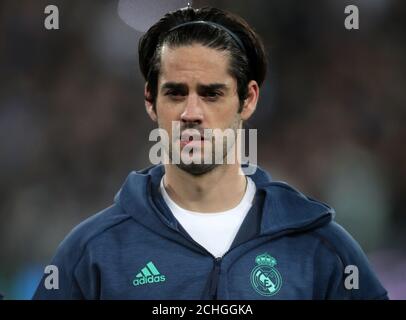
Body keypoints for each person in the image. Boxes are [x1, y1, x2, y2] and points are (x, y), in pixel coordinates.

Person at [33, 6, 388, 300]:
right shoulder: (92, 253)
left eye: (211, 94)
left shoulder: (320, 249)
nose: (191, 112)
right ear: (150, 101)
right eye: (175, 93)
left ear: (248, 100)